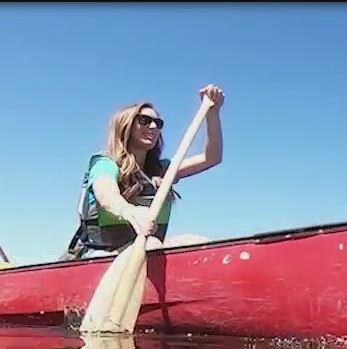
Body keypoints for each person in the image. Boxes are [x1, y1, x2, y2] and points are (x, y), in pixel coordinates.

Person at [63, 84, 226, 260]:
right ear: (126, 125)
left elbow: (212, 158)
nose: (154, 126)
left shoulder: (163, 171)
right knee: (153, 245)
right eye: (144, 120)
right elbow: (106, 192)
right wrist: (129, 211)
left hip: (146, 255)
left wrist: (212, 113)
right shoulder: (105, 163)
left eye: (158, 123)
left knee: (196, 243)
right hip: (101, 257)